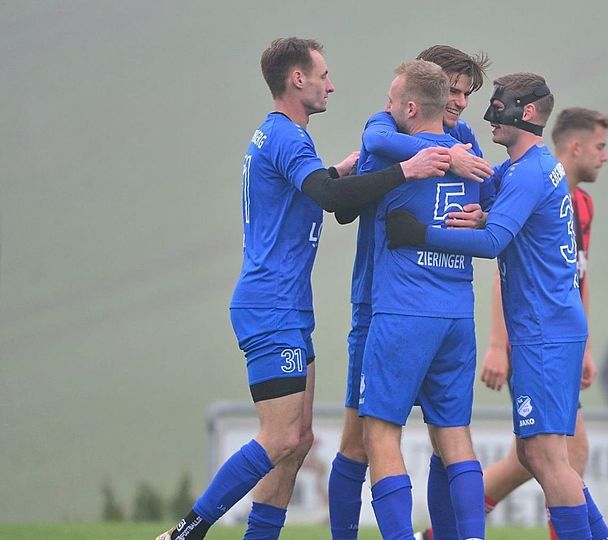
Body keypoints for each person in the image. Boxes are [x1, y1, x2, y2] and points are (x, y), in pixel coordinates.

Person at [155, 38, 451, 540]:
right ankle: (186, 531)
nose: (331, 84)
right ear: (297, 79)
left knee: (298, 441)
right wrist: (406, 169)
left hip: (288, 307)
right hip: (269, 304)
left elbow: (316, 190)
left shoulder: (283, 138)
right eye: (323, 75)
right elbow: (328, 197)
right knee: (281, 437)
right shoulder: (288, 138)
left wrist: (343, 168)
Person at [388, 72, 608, 540]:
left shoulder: (530, 172)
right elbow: (500, 218)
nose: (489, 111)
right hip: (543, 330)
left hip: (545, 333)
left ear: (526, 112)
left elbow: (493, 243)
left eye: (497, 103)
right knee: (535, 455)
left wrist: (420, 235)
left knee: (550, 458)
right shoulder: (521, 170)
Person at [328, 46, 492, 540]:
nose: (460, 103)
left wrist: (484, 213)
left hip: (403, 309)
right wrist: (446, 159)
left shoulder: (464, 143)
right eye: (454, 90)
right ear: (427, 91)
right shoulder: (395, 131)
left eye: (466, 93)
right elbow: (366, 160)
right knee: (359, 440)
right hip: (381, 302)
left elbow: (492, 189)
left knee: (389, 436)